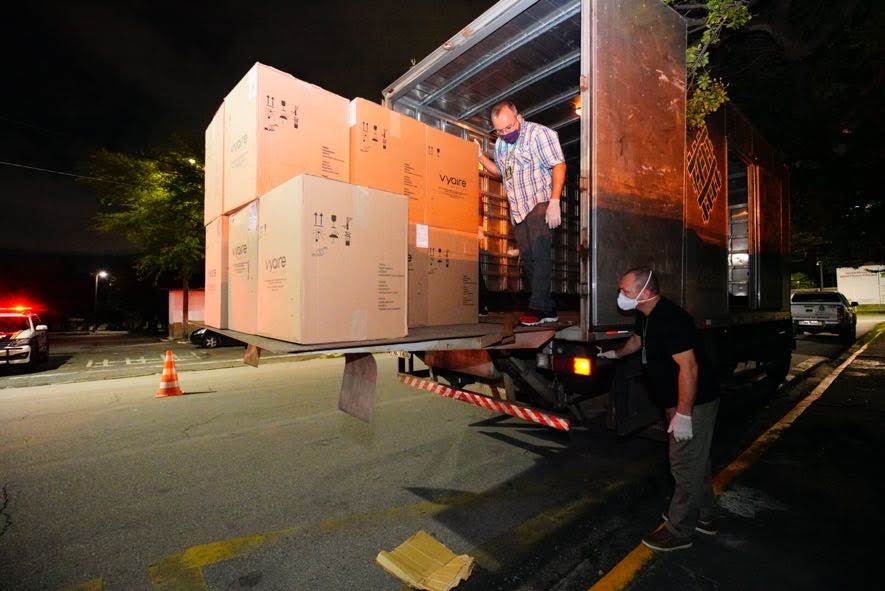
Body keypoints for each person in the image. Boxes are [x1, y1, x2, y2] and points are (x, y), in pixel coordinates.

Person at [598, 267, 721, 551]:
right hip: (676, 402)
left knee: (683, 464)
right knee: (695, 461)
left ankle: (679, 531)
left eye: (625, 291)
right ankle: (706, 516)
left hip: (696, 403)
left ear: (646, 292)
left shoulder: (671, 319)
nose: (621, 296)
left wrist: (684, 413)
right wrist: (614, 354)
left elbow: (689, 369)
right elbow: (637, 342)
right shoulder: (645, 315)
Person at [476, 100, 566, 326]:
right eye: (500, 130)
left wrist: (554, 200)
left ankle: (537, 307)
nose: (506, 133)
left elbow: (559, 164)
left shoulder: (538, 134)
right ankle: (549, 308)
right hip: (519, 210)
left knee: (540, 254)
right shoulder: (500, 145)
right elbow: (501, 172)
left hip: (540, 202)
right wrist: (480, 156)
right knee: (527, 260)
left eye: (509, 127)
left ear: (518, 116)